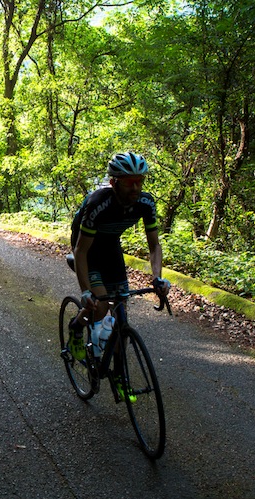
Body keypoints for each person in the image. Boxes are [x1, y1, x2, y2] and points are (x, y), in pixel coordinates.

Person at [69, 151, 171, 359]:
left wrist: (157, 277)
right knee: (100, 304)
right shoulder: (99, 203)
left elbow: (154, 246)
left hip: (111, 245)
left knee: (121, 312)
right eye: (129, 182)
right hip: (88, 247)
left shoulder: (146, 203)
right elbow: (81, 251)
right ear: (114, 183)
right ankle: (76, 327)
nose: (135, 187)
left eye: (139, 181)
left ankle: (119, 376)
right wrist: (86, 291)